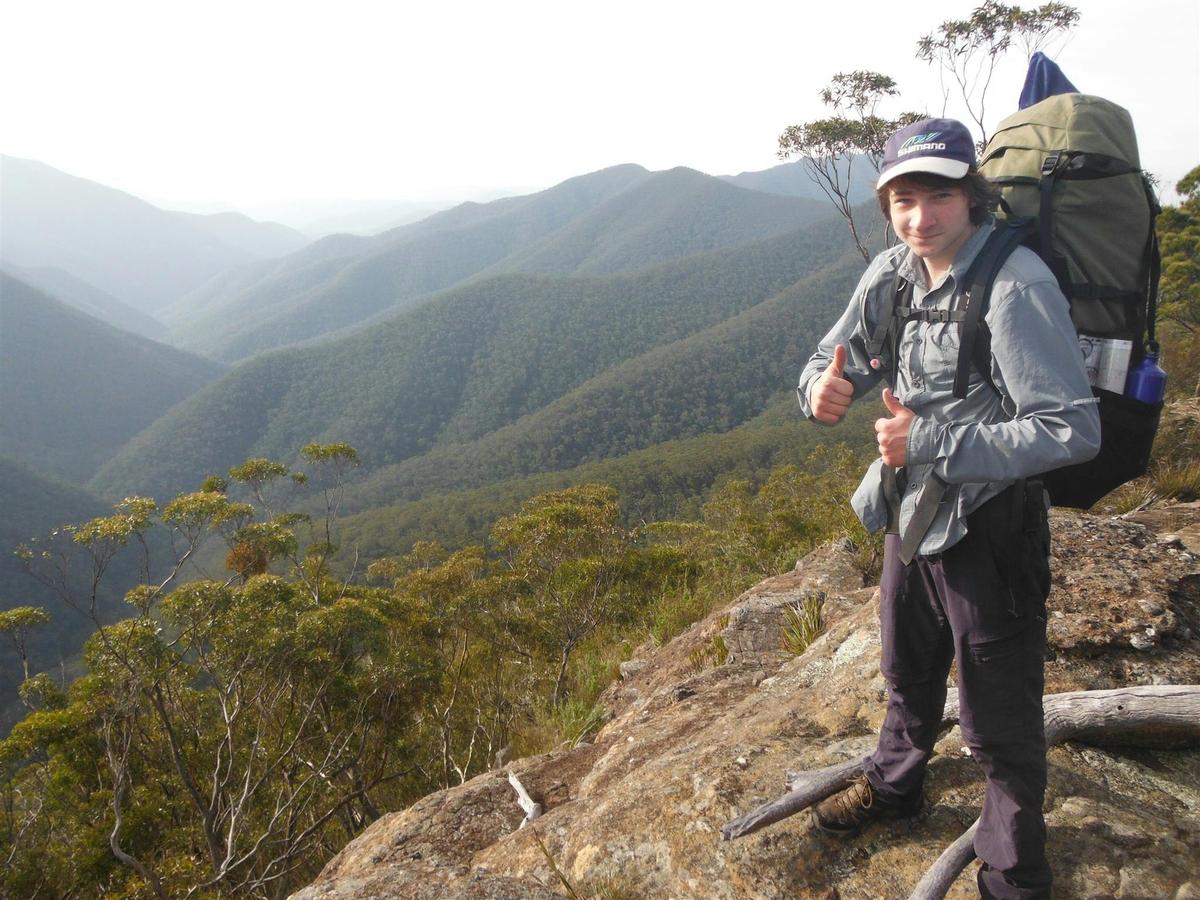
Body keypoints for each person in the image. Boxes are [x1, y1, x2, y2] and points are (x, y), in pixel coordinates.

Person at [794, 117, 1101, 899]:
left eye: (937, 196)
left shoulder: (1016, 285)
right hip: (913, 512)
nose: (920, 217)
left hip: (991, 526)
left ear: (972, 195)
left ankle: (1013, 873)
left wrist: (930, 440)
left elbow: (1071, 429)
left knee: (997, 715)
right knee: (906, 667)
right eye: (903, 200)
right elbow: (840, 356)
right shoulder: (895, 273)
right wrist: (822, 389)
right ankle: (895, 785)